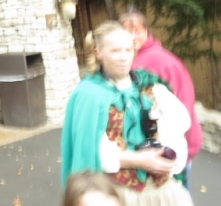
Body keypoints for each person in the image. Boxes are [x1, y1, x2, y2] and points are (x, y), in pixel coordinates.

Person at [62, 21, 193, 206]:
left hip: (163, 192)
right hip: (120, 194)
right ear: (98, 52)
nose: (123, 57)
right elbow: (91, 149)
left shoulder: (150, 84)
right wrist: (138, 160)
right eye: (115, 51)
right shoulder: (89, 94)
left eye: (128, 50)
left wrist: (167, 156)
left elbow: (178, 124)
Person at [120, 9, 203, 182]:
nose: (133, 36)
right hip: (157, 151)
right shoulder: (133, 59)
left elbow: (182, 106)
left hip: (169, 151)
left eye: (138, 31)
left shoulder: (156, 62)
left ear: (146, 31)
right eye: (127, 31)